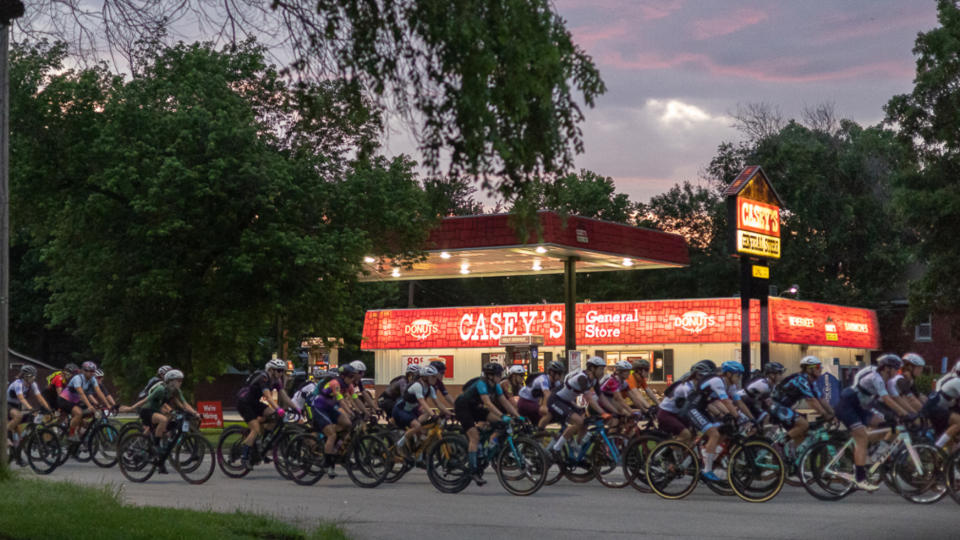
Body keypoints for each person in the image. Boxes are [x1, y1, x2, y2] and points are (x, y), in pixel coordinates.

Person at [834, 354, 912, 491]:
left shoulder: (887, 380)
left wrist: (911, 414)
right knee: (862, 438)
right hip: (848, 405)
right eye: (896, 369)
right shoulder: (876, 377)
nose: (897, 372)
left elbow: (896, 398)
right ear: (887, 368)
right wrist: (904, 414)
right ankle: (859, 478)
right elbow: (887, 399)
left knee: (888, 426)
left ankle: (869, 456)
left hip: (861, 407)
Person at [453, 363, 521, 486]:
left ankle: (483, 451)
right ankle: (473, 471)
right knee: (474, 437)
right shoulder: (481, 384)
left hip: (475, 407)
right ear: (490, 376)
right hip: (463, 407)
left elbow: (505, 402)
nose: (500, 377)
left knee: (500, 424)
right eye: (498, 375)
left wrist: (517, 415)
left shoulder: (496, 386)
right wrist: (502, 416)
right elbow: (488, 404)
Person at [235, 358, 299, 469]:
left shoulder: (276, 381)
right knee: (255, 428)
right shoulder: (264, 378)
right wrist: (279, 409)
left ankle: (262, 445)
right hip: (244, 402)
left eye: (282, 371)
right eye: (278, 370)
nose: (281, 373)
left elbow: (285, 397)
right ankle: (244, 456)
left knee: (274, 417)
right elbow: (269, 397)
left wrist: (296, 408)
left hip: (254, 402)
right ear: (271, 370)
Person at [545, 356, 607, 463]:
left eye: (603, 369)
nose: (603, 372)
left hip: (567, 401)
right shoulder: (582, 378)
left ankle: (577, 448)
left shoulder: (594, 380)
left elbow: (602, 397)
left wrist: (613, 410)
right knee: (579, 422)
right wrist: (603, 413)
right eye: (601, 369)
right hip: (556, 400)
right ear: (592, 368)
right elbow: (589, 399)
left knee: (585, 423)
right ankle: (556, 449)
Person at [697, 361, 750, 482]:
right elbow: (726, 402)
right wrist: (737, 417)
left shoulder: (730, 385)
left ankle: (709, 452)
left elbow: (739, 402)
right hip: (695, 407)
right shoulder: (718, 381)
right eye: (738, 375)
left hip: (707, 406)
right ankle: (707, 469)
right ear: (729, 374)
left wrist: (750, 418)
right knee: (714, 433)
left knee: (725, 430)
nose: (739, 378)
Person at [308, 363, 362, 478]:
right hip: (319, 407)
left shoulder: (349, 386)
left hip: (330, 408)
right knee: (331, 434)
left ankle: (334, 447)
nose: (353, 379)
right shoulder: (335, 383)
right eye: (351, 377)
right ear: (343, 376)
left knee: (348, 424)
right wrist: (351, 413)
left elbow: (356, 399)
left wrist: (365, 412)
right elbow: (341, 400)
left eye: (353, 377)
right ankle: (327, 464)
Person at [140, 369, 198, 472]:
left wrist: (194, 413)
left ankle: (161, 460)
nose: (180, 383)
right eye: (178, 380)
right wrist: (130, 408)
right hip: (148, 407)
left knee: (171, 424)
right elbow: (154, 401)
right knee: (162, 421)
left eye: (181, 380)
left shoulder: (174, 390)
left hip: (158, 407)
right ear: (170, 380)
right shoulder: (160, 387)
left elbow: (182, 403)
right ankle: (151, 443)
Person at [657, 360, 716, 445]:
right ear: (699, 376)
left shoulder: (697, 387)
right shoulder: (687, 387)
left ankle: (684, 456)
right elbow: (694, 406)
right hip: (666, 414)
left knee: (693, 436)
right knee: (686, 435)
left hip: (677, 414)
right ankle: (667, 454)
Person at [393, 365, 446, 456]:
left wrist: (449, 412)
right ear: (425, 377)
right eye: (433, 377)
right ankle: (399, 445)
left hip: (410, 411)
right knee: (417, 426)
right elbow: (422, 402)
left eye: (436, 376)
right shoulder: (417, 385)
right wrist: (433, 415)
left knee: (422, 433)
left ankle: (418, 456)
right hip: (400, 410)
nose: (435, 379)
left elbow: (438, 403)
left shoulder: (430, 388)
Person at [7, 365, 52, 464]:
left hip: (17, 407)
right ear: (25, 376)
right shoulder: (18, 383)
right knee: (18, 416)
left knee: (19, 437)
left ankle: (17, 456)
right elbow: (21, 398)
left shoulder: (33, 384)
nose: (33, 378)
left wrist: (48, 409)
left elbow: (40, 397)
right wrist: (30, 408)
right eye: (31, 376)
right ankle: (4, 433)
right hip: (7, 405)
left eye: (34, 376)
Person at [57, 361, 112, 441]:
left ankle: (80, 433)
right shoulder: (77, 378)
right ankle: (71, 434)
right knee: (79, 413)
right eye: (88, 371)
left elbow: (99, 391)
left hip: (74, 401)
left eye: (93, 371)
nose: (91, 373)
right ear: (83, 371)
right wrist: (89, 405)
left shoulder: (92, 379)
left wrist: (108, 404)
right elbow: (81, 393)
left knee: (92, 413)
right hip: (64, 400)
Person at [517, 361, 565, 427]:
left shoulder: (556, 383)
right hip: (525, 402)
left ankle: (539, 431)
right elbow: (547, 394)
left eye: (561, 374)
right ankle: (540, 429)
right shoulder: (543, 379)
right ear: (551, 373)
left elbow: (562, 395)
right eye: (559, 374)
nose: (560, 376)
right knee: (549, 412)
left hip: (534, 403)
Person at [920, 376, 960, 450]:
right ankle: (937, 447)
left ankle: (948, 459)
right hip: (933, 408)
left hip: (937, 409)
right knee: (958, 422)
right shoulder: (958, 382)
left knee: (951, 440)